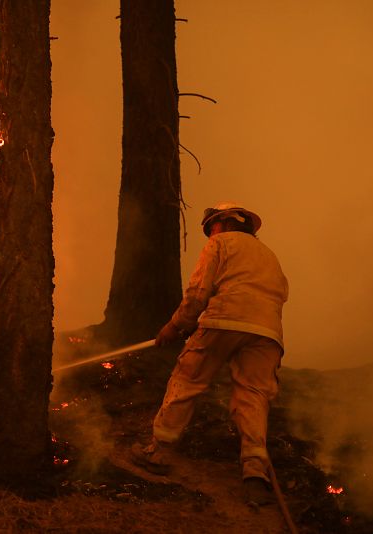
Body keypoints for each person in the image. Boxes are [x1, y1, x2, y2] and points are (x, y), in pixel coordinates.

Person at [131, 202, 289, 506]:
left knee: (188, 379)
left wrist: (175, 326)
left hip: (223, 319)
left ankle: (159, 451)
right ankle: (255, 472)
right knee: (253, 396)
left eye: (211, 228)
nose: (210, 234)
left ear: (223, 223)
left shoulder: (220, 244)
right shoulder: (269, 255)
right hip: (268, 333)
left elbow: (197, 293)